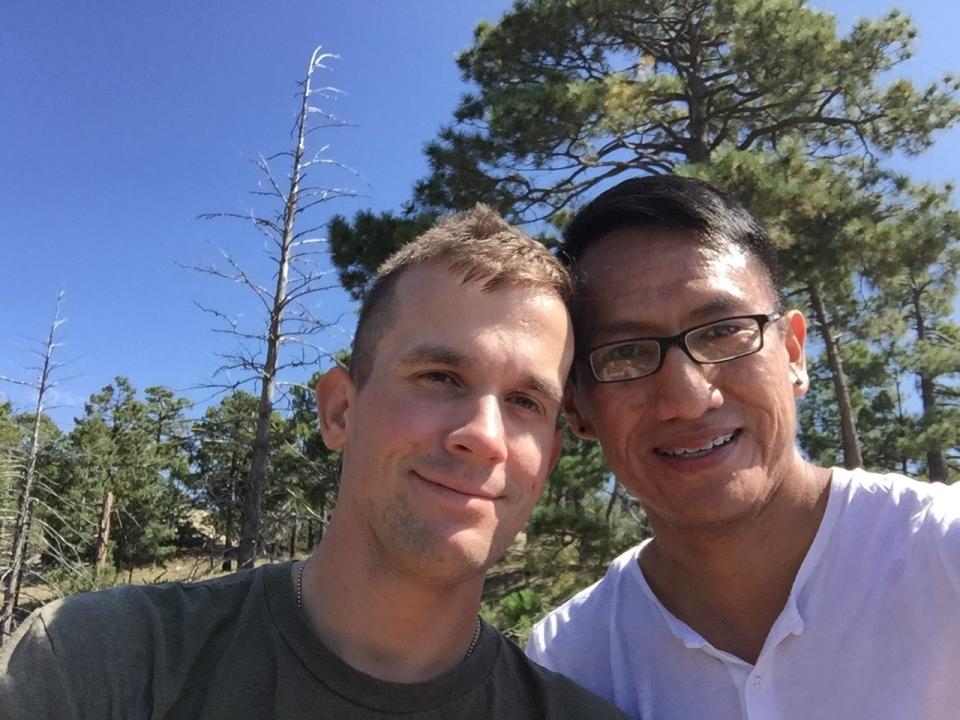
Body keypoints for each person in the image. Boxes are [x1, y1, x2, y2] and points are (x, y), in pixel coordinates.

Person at [0, 206, 628, 720]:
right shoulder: (101, 666)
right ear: (339, 412)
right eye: (440, 376)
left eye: (524, 401)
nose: (484, 436)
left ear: (547, 458)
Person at [525, 175, 960, 719]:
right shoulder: (568, 664)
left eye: (722, 331)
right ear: (578, 410)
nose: (686, 398)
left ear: (794, 353)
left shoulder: (943, 552)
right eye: (627, 353)